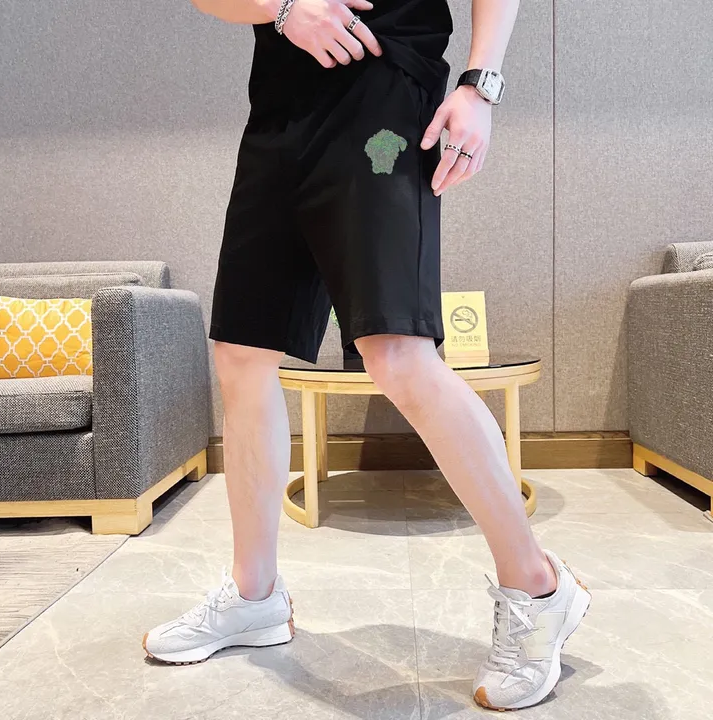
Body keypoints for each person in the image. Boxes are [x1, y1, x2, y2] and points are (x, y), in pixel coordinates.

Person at [143, 0, 591, 710]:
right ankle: (255, 598)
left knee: (397, 351)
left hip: (385, 92)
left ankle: (538, 587)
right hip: (279, 111)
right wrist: (280, 9)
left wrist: (481, 85)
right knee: (241, 353)